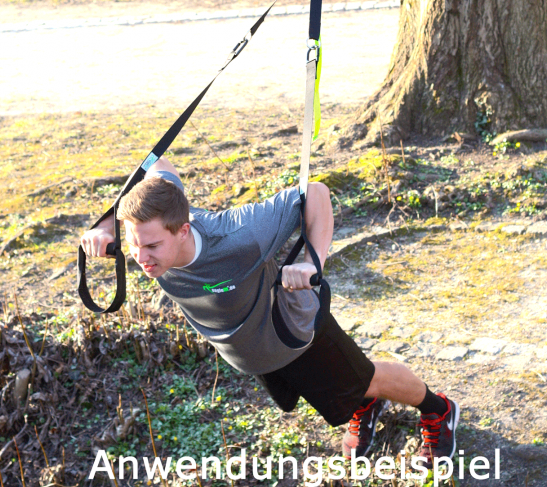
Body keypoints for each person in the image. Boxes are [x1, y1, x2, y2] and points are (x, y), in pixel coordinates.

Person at [80, 157, 459, 468]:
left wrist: (312, 261)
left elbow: (316, 194)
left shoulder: (240, 236)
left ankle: (438, 409)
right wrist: (106, 225)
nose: (140, 258)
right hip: (254, 350)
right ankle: (365, 403)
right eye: (132, 244)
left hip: (290, 331)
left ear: (183, 230)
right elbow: (159, 166)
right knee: (334, 395)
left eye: (150, 246)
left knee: (367, 377)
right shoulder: (156, 222)